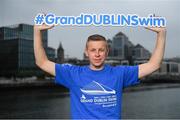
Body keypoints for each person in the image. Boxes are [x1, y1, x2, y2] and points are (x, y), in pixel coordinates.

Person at [34, 23, 166, 119]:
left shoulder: (119, 74)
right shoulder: (73, 74)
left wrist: (161, 34)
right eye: (93, 50)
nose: (97, 54)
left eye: (101, 50)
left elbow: (154, 64)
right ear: (86, 52)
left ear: (107, 52)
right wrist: (37, 31)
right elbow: (42, 62)